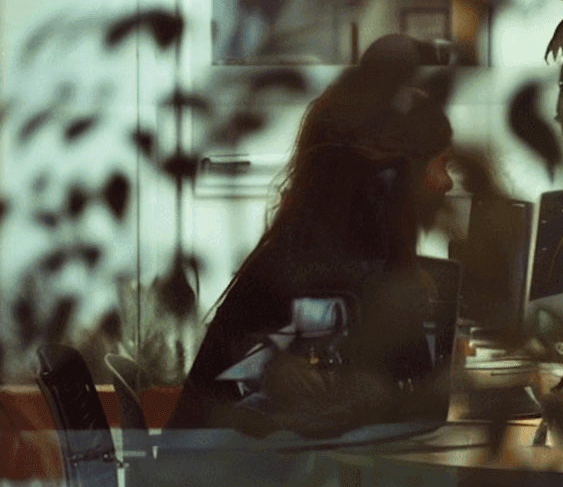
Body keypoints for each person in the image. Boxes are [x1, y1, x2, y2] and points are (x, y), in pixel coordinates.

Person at [165, 34, 455, 437]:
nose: (447, 183)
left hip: (228, 477)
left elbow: (407, 390)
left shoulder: (319, 253)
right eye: (440, 165)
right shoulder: (332, 271)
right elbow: (400, 403)